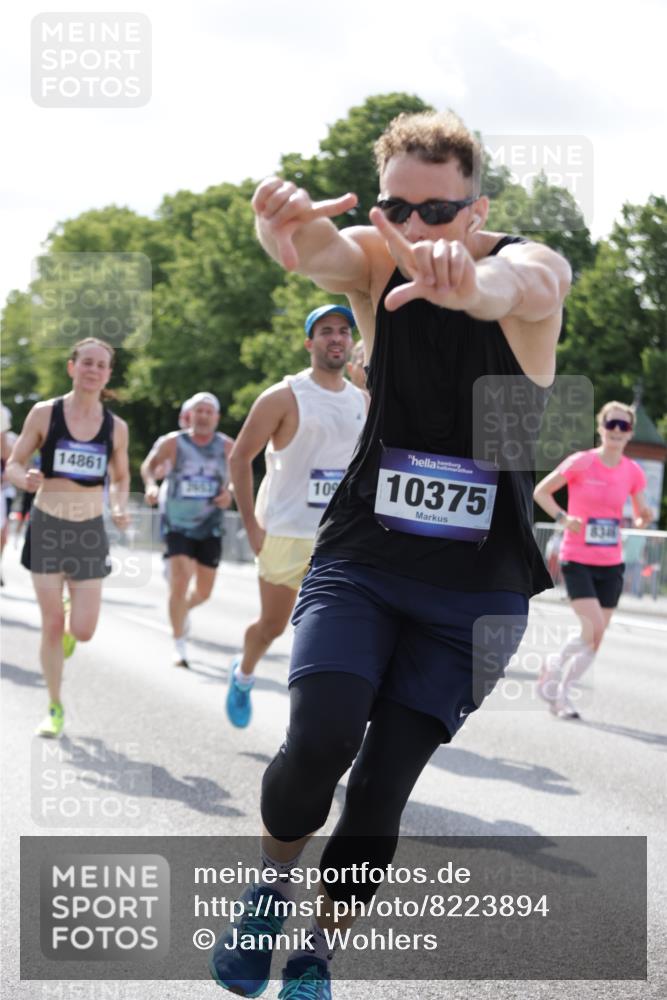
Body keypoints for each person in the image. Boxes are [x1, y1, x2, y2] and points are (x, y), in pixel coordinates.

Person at [210, 110, 571, 999]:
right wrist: (280, 230)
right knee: (322, 736)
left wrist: (470, 283)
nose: (414, 233)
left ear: (476, 206)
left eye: (437, 214)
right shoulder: (377, 268)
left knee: (379, 790)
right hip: (364, 556)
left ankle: (317, 957)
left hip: (476, 593)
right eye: (395, 210)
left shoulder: (529, 269)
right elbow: (321, 255)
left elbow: (519, 286)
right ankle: (269, 884)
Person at [226, 305, 367, 728]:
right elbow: (239, 457)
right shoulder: (283, 396)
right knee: (272, 626)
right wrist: (252, 525)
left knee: (332, 636)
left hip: (339, 539)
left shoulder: (363, 401)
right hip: (285, 532)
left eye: (343, 331)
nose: (336, 338)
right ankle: (244, 673)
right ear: (310, 343)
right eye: (326, 331)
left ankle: (315, 726)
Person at [6, 338, 130, 738]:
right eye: (87, 362)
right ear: (72, 367)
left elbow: (123, 475)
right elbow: (14, 461)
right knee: (52, 624)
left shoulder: (116, 427)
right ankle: (55, 706)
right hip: (47, 525)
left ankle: (70, 618)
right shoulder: (45, 413)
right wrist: (22, 477)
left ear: (108, 374)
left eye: (101, 365)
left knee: (84, 630)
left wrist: (118, 505)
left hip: (89, 531)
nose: (93, 369)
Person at [533, 401, 652, 719]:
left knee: (596, 637)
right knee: (593, 627)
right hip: (577, 557)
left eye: (623, 426)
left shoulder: (633, 471)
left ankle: (562, 693)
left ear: (629, 433)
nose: (616, 430)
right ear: (600, 428)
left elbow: (641, 514)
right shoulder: (581, 461)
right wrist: (563, 517)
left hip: (611, 561)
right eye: (611, 424)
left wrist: (643, 520)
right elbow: (541, 492)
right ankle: (554, 668)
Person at [142, 392, 233, 668]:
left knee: (204, 592)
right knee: (180, 580)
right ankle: (179, 644)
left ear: (216, 417)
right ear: (189, 416)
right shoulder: (174, 443)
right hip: (177, 523)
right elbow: (149, 467)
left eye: (209, 411)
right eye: (199, 411)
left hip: (210, 526)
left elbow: (237, 478)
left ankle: (180, 610)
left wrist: (229, 493)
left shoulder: (228, 446)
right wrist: (151, 486)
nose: (204, 416)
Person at [141, 397, 194, 580]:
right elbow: (150, 468)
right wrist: (152, 483)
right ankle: (171, 560)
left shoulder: (215, 445)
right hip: (173, 504)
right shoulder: (170, 441)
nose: (189, 421)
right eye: (187, 417)